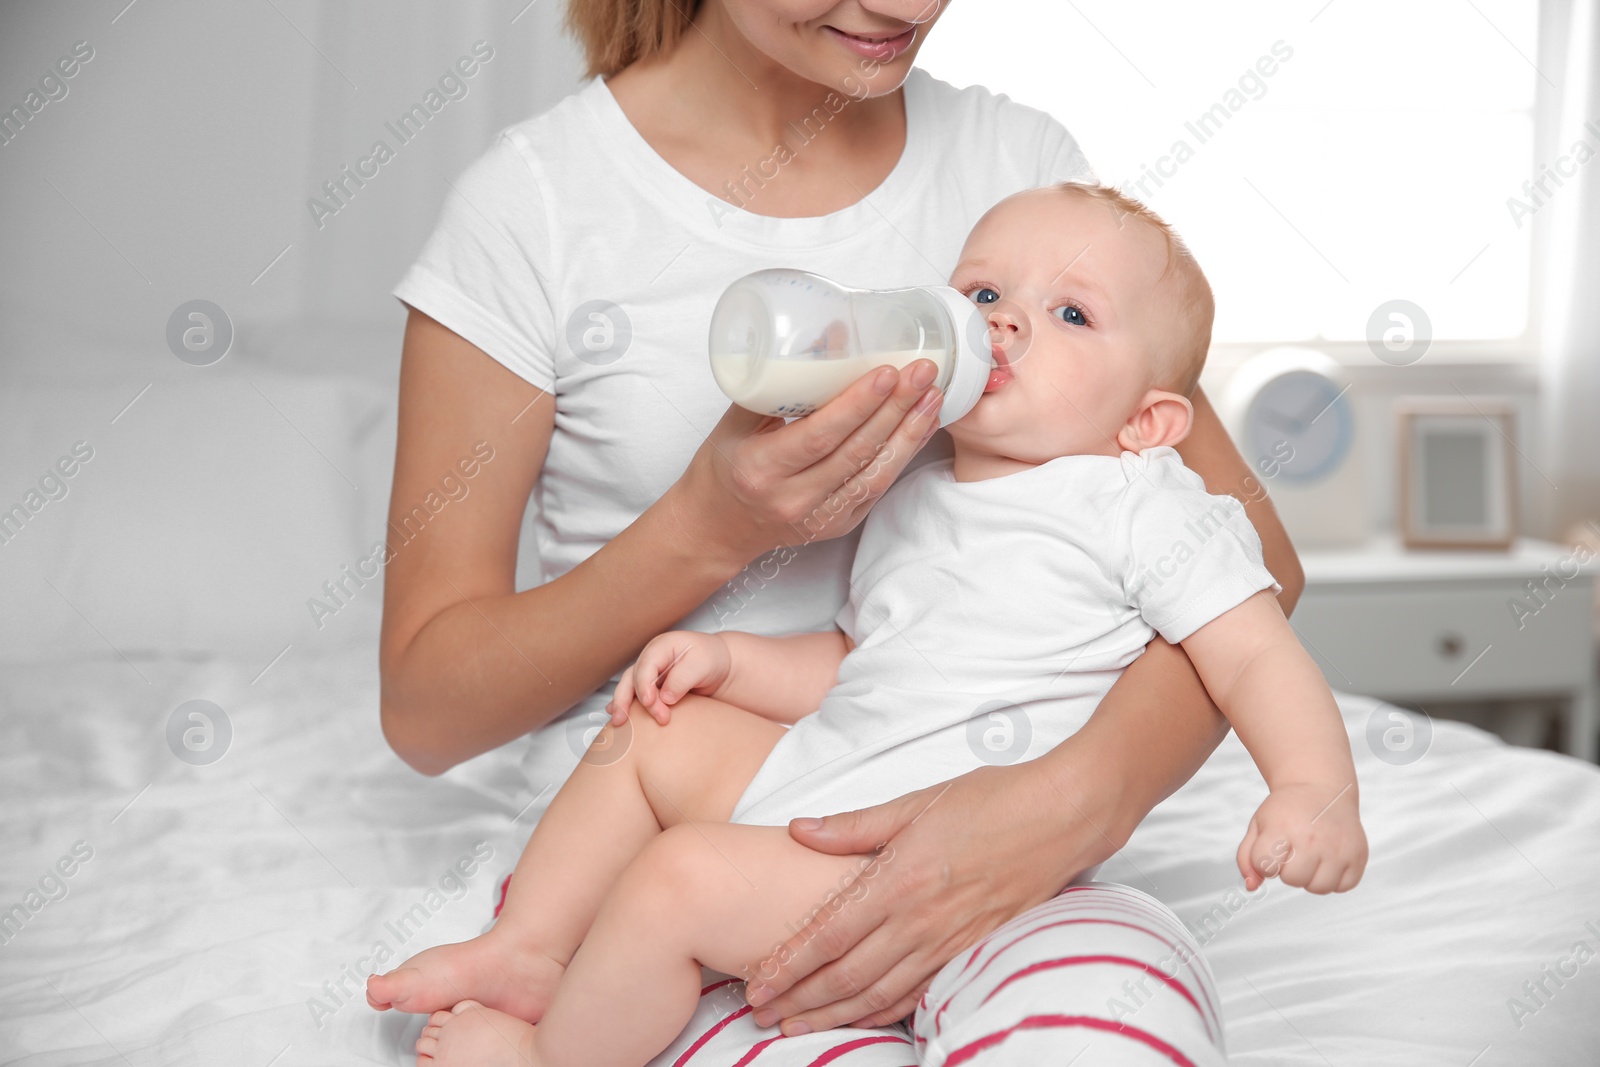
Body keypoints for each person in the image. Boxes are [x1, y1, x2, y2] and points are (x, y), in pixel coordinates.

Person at [378, 0, 1305, 1061]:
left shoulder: (1020, 176)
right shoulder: (534, 207)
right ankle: (536, 966)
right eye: (983, 295)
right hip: (652, 849)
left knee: (1109, 1018)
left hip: (1013, 833)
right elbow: (425, 706)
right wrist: (705, 529)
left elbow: (1249, 565)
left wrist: (1073, 797)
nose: (905, 5)